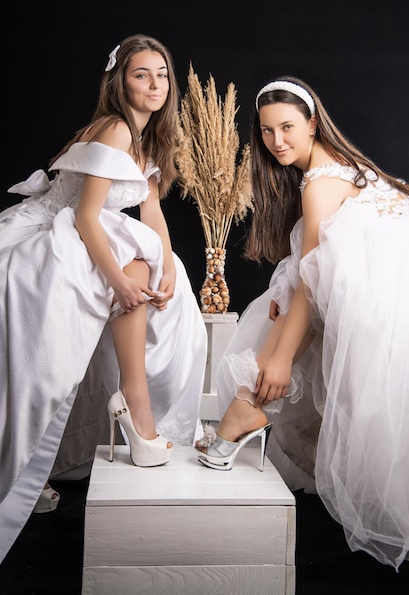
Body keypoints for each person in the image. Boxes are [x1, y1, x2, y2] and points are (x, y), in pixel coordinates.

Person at [0, 34, 207, 562]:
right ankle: (137, 415)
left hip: (86, 231)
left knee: (158, 268)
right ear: (120, 81)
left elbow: (153, 214)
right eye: (142, 74)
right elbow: (85, 217)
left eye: (162, 74)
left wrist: (165, 272)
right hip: (54, 234)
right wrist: (119, 280)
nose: (155, 85)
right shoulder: (115, 128)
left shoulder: (151, 138)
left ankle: (136, 410)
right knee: (125, 270)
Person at [195, 76, 409, 570]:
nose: (277, 142)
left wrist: (283, 360)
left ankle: (243, 409)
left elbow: (318, 286)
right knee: (284, 300)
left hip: (387, 291)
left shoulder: (319, 185)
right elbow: (315, 270)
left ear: (313, 124)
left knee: (297, 310)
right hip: (373, 281)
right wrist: (289, 288)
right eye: (267, 132)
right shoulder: (338, 169)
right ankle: (243, 410)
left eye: (288, 127)